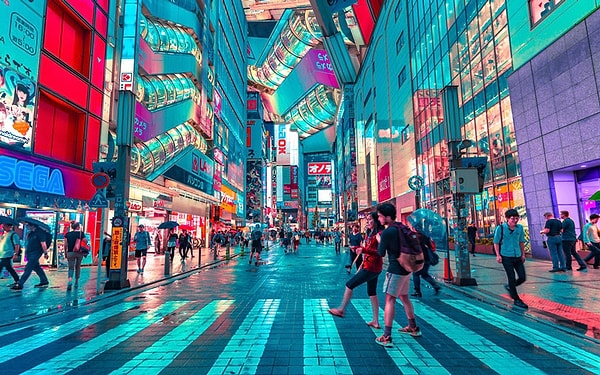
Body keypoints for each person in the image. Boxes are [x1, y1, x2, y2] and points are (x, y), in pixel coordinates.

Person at [375, 203, 421, 347]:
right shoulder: (401, 227)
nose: (379, 219)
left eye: (380, 216)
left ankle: (387, 336)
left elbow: (381, 253)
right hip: (407, 268)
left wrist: (379, 240)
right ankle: (413, 327)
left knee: (390, 300)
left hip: (396, 269)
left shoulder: (388, 232)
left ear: (388, 217)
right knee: (404, 297)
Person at [329, 212, 384, 329]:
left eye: (370, 219)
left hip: (372, 267)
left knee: (349, 284)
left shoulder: (379, 234)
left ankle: (341, 309)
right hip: (372, 266)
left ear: (376, 220)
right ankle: (376, 321)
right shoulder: (370, 233)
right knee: (372, 292)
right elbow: (368, 250)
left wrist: (363, 250)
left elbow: (380, 252)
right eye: (367, 219)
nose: (368, 221)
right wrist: (360, 251)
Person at [494, 209, 528, 309]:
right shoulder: (500, 228)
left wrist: (523, 254)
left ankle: (510, 287)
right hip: (506, 256)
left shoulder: (520, 228)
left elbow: (521, 241)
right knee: (511, 277)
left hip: (517, 255)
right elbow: (496, 242)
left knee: (522, 277)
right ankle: (516, 299)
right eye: (512, 219)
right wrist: (498, 255)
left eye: (517, 218)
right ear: (507, 219)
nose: (515, 220)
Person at [11, 222, 50, 290]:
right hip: (30, 252)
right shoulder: (31, 233)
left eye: (27, 225)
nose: (27, 226)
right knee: (36, 267)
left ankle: (20, 284)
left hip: (36, 252)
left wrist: (45, 253)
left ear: (32, 225)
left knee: (28, 268)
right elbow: (28, 242)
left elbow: (43, 243)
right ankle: (44, 280)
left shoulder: (40, 232)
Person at [410, 232, 441, 297]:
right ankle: (435, 285)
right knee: (424, 274)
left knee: (416, 274)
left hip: (420, 258)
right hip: (427, 258)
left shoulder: (416, 237)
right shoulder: (426, 237)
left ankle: (417, 291)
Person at [64, 222, 86, 290]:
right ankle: (76, 282)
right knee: (78, 266)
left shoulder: (67, 234)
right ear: (78, 227)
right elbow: (85, 241)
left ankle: (70, 280)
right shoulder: (81, 233)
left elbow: (65, 245)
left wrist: (65, 253)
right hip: (79, 252)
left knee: (71, 268)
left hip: (70, 252)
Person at [0, 222, 20, 287]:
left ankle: (18, 281)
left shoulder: (13, 234)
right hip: (2, 254)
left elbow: (17, 245)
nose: (3, 227)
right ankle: (17, 280)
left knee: (1, 267)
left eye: (4, 226)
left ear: (9, 226)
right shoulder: (4, 234)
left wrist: (15, 253)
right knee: (9, 268)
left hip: (7, 254)